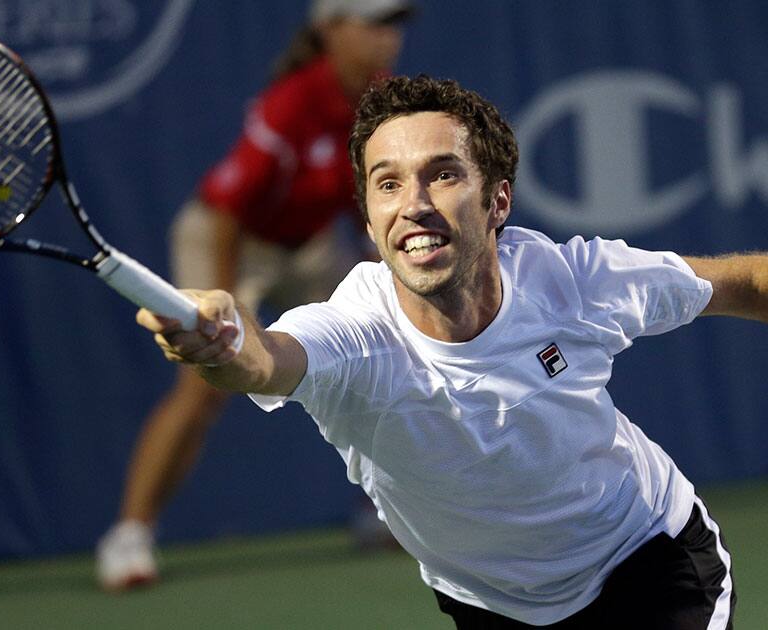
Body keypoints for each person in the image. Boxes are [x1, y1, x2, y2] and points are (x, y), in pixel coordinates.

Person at [136, 75, 767, 627]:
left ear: (498, 201)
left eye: (442, 174)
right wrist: (223, 337)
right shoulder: (358, 336)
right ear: (369, 214)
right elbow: (266, 359)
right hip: (491, 604)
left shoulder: (576, 284)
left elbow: (744, 283)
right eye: (387, 184)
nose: (413, 205)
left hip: (649, 565)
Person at [96, 0, 415, 591]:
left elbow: (369, 191)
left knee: (386, 352)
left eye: (394, 23)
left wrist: (387, 273)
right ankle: (130, 536)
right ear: (330, 31)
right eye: (372, 22)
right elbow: (228, 209)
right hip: (230, 238)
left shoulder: (380, 97)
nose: (386, 37)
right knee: (203, 385)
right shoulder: (292, 101)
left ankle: (382, 510)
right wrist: (222, 304)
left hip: (310, 243)